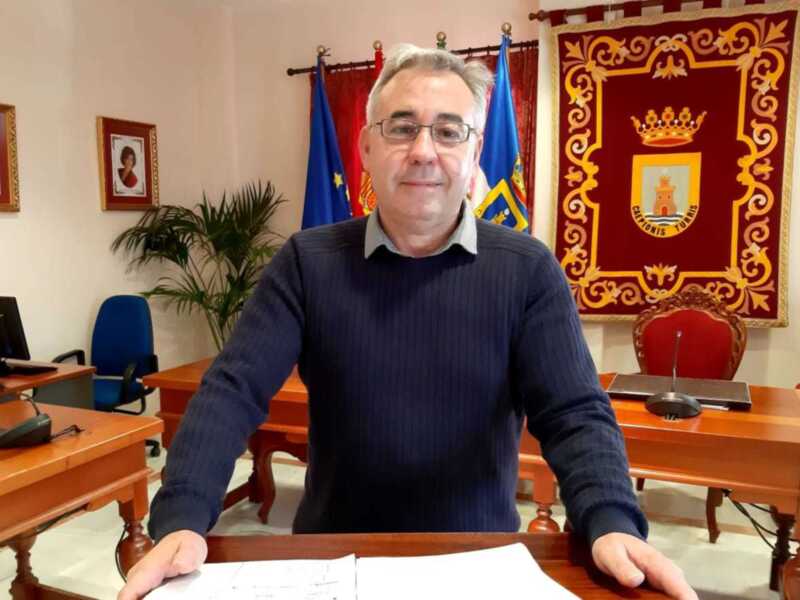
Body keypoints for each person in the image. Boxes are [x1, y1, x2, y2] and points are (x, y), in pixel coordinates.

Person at [119, 44, 697, 600]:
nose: (424, 149)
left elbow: (573, 411)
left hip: (478, 559)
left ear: (473, 155)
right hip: (334, 557)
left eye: (449, 131)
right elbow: (233, 390)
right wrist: (183, 516)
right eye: (401, 126)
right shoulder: (305, 262)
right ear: (368, 147)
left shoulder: (527, 270)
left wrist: (611, 519)